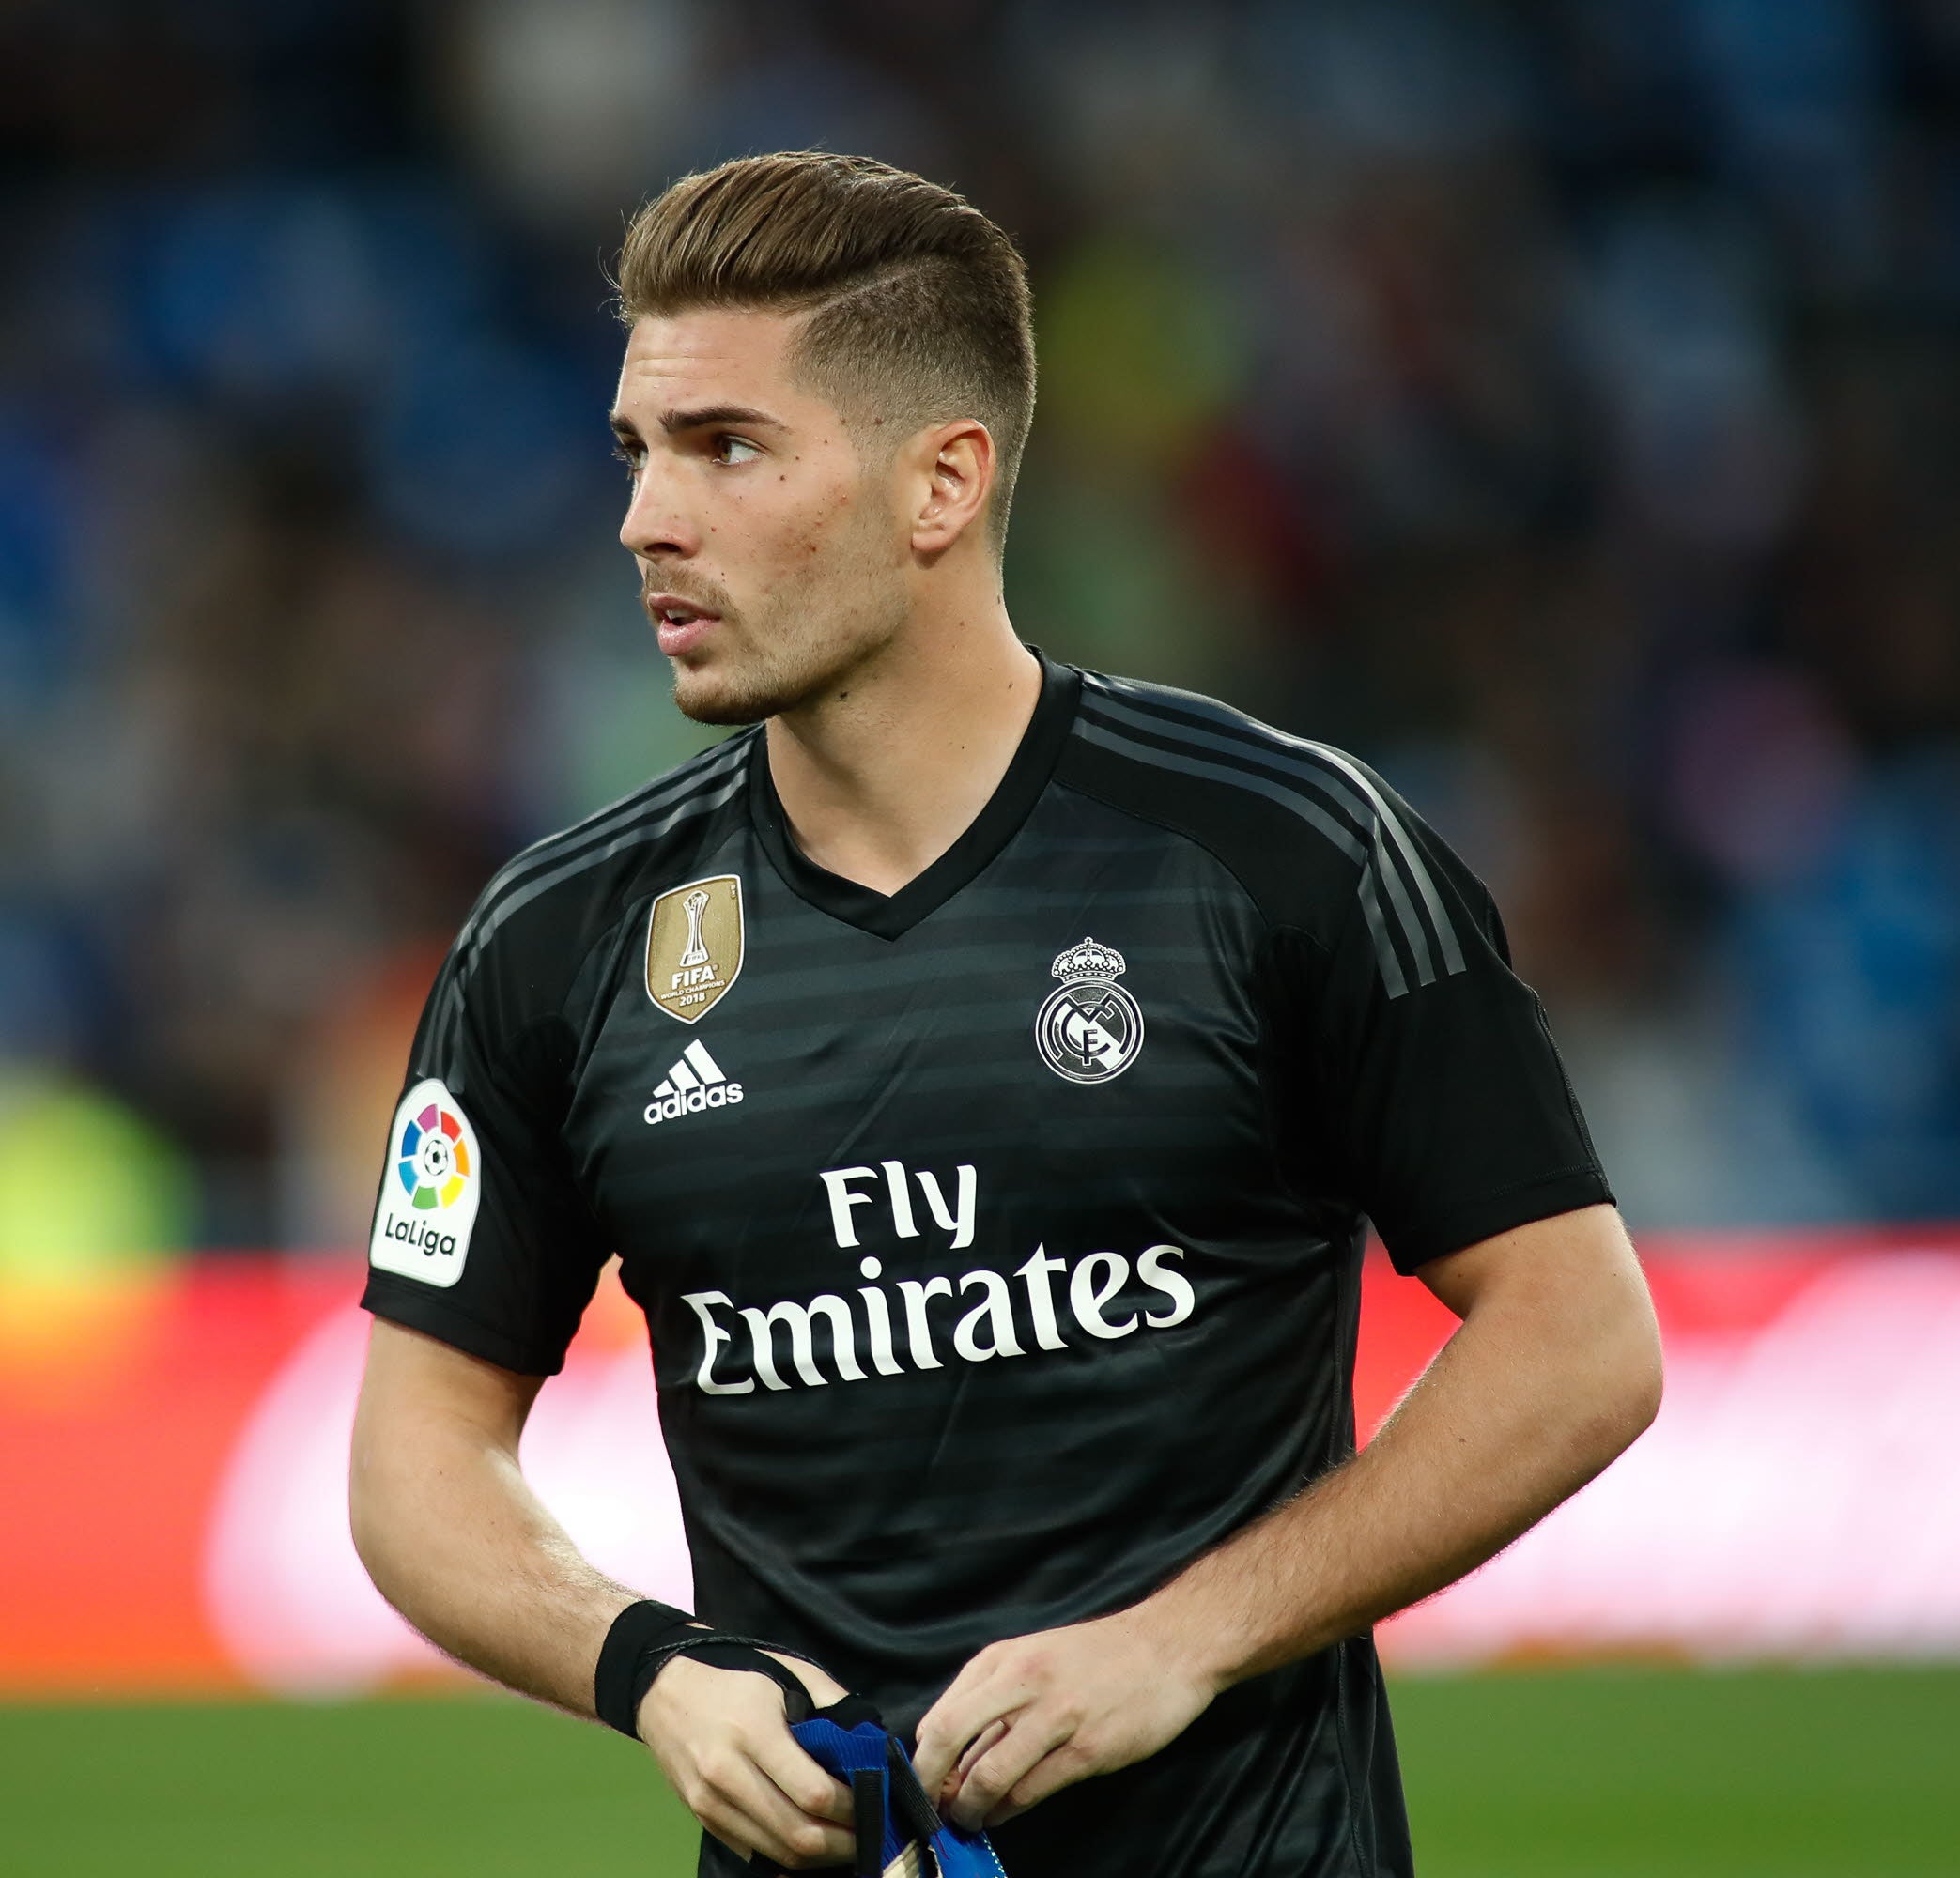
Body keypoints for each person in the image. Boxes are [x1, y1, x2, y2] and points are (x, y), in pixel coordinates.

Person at [347, 150, 1663, 1877]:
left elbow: (1581, 1342)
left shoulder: (1288, 853)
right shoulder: (561, 939)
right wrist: (649, 1671)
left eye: (726, 447)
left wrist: (1180, 1638)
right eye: (637, 451)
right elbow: (413, 1460)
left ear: (941, 484)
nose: (646, 519)